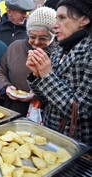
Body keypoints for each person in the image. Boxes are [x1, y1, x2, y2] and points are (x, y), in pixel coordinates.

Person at [26, 0, 92, 146]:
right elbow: (45, 100)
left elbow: (81, 111)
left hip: (76, 143)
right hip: (51, 135)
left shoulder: (89, 52)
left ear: (84, 20)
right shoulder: (60, 50)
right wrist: (37, 75)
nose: (55, 24)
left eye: (62, 18)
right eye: (56, 18)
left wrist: (47, 76)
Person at [0, 7, 57, 117]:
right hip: (12, 108)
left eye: (43, 38)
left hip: (41, 112)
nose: (36, 42)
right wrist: (6, 87)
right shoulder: (15, 47)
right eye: (32, 37)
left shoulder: (59, 53)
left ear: (52, 37)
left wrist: (37, 95)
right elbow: (0, 72)